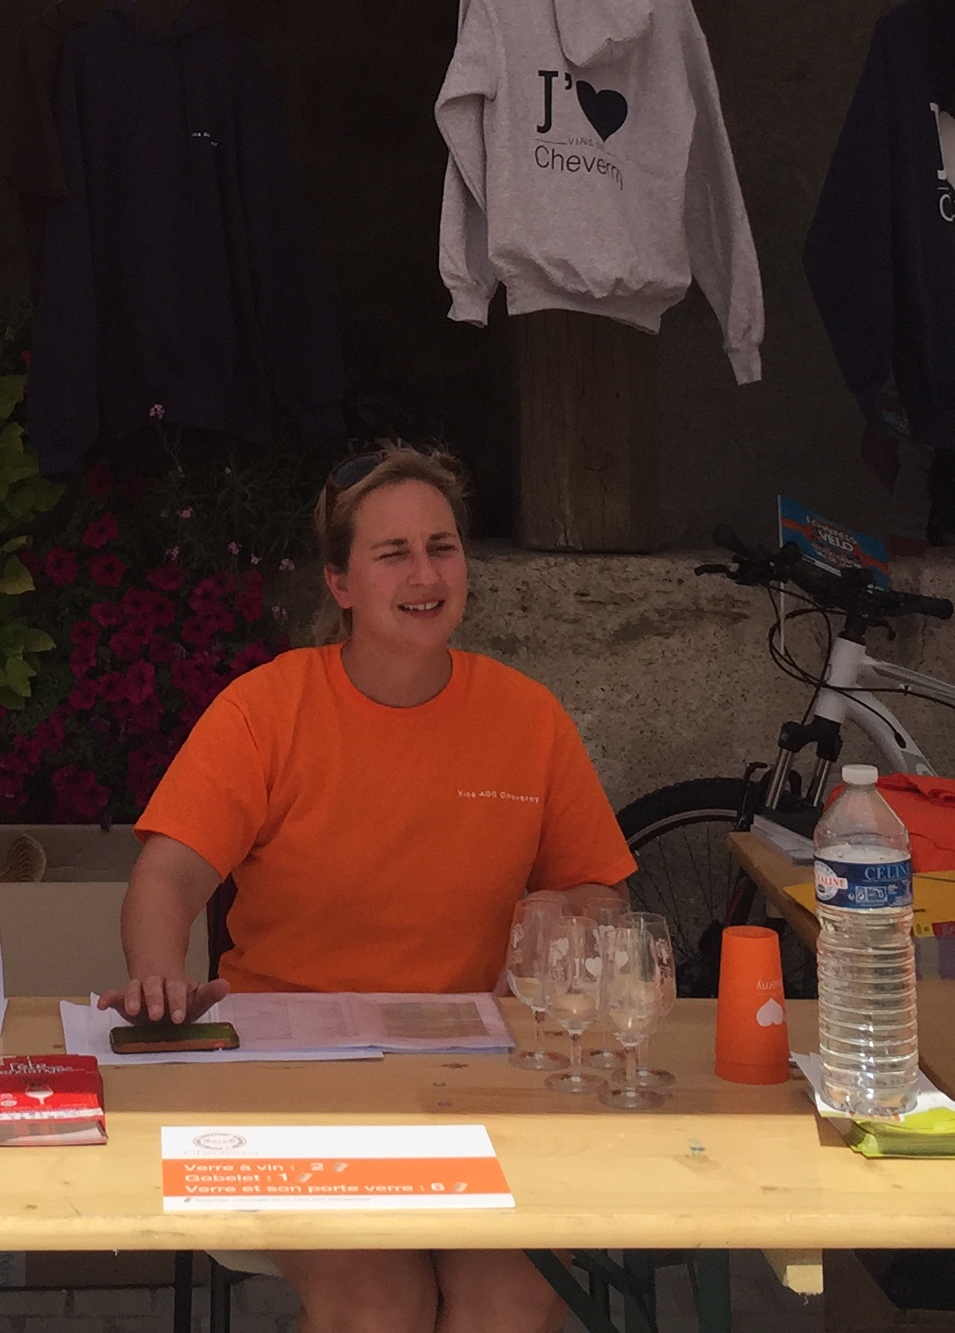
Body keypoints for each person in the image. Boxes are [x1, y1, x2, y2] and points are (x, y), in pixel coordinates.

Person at [100, 445, 634, 1333]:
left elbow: (604, 898)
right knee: (380, 1303)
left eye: (442, 548)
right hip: (291, 1075)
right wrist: (158, 974)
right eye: (393, 554)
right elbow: (169, 871)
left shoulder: (527, 715)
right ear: (340, 584)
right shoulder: (266, 709)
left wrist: (567, 911)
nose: (425, 575)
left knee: (508, 1298)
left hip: (481, 1076)